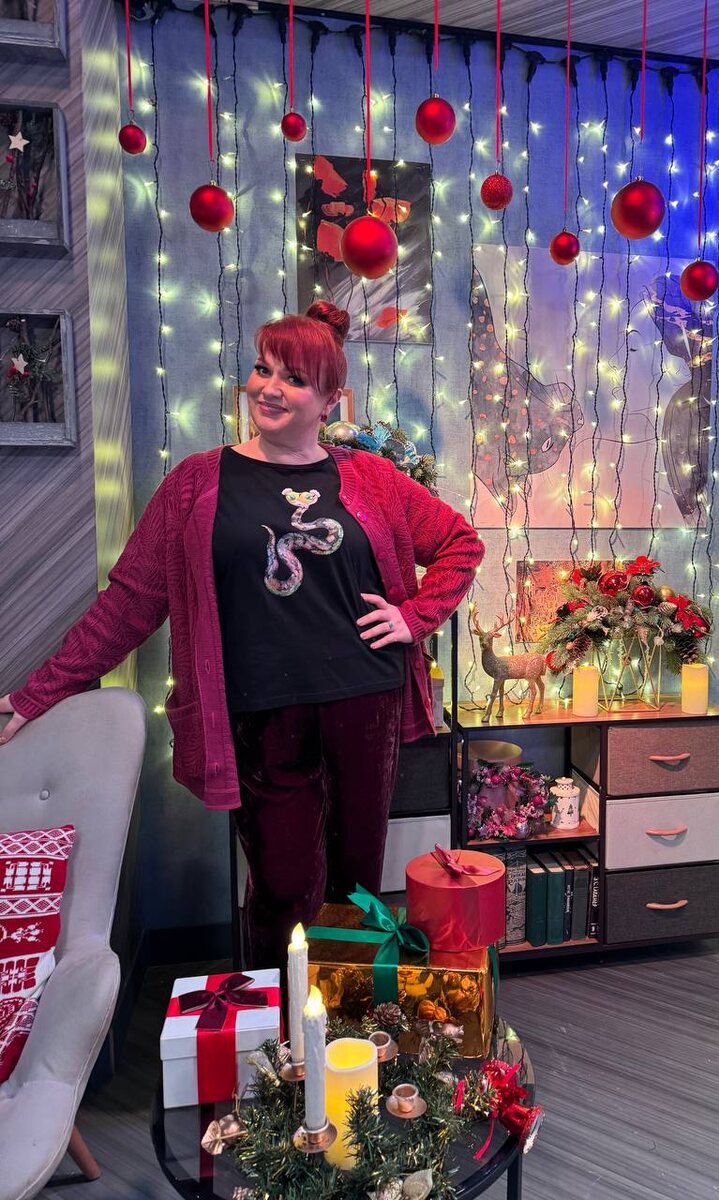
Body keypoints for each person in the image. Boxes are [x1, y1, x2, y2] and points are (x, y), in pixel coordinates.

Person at [0, 301, 483, 970]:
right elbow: (131, 602)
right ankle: (275, 1022)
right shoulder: (197, 483)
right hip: (261, 715)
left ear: (330, 401)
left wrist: (414, 616)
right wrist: (40, 692)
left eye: (294, 379)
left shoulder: (371, 478)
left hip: (363, 703)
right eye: (263, 370)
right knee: (282, 890)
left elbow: (460, 543)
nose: (269, 389)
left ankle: (342, 1016)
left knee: (355, 885)